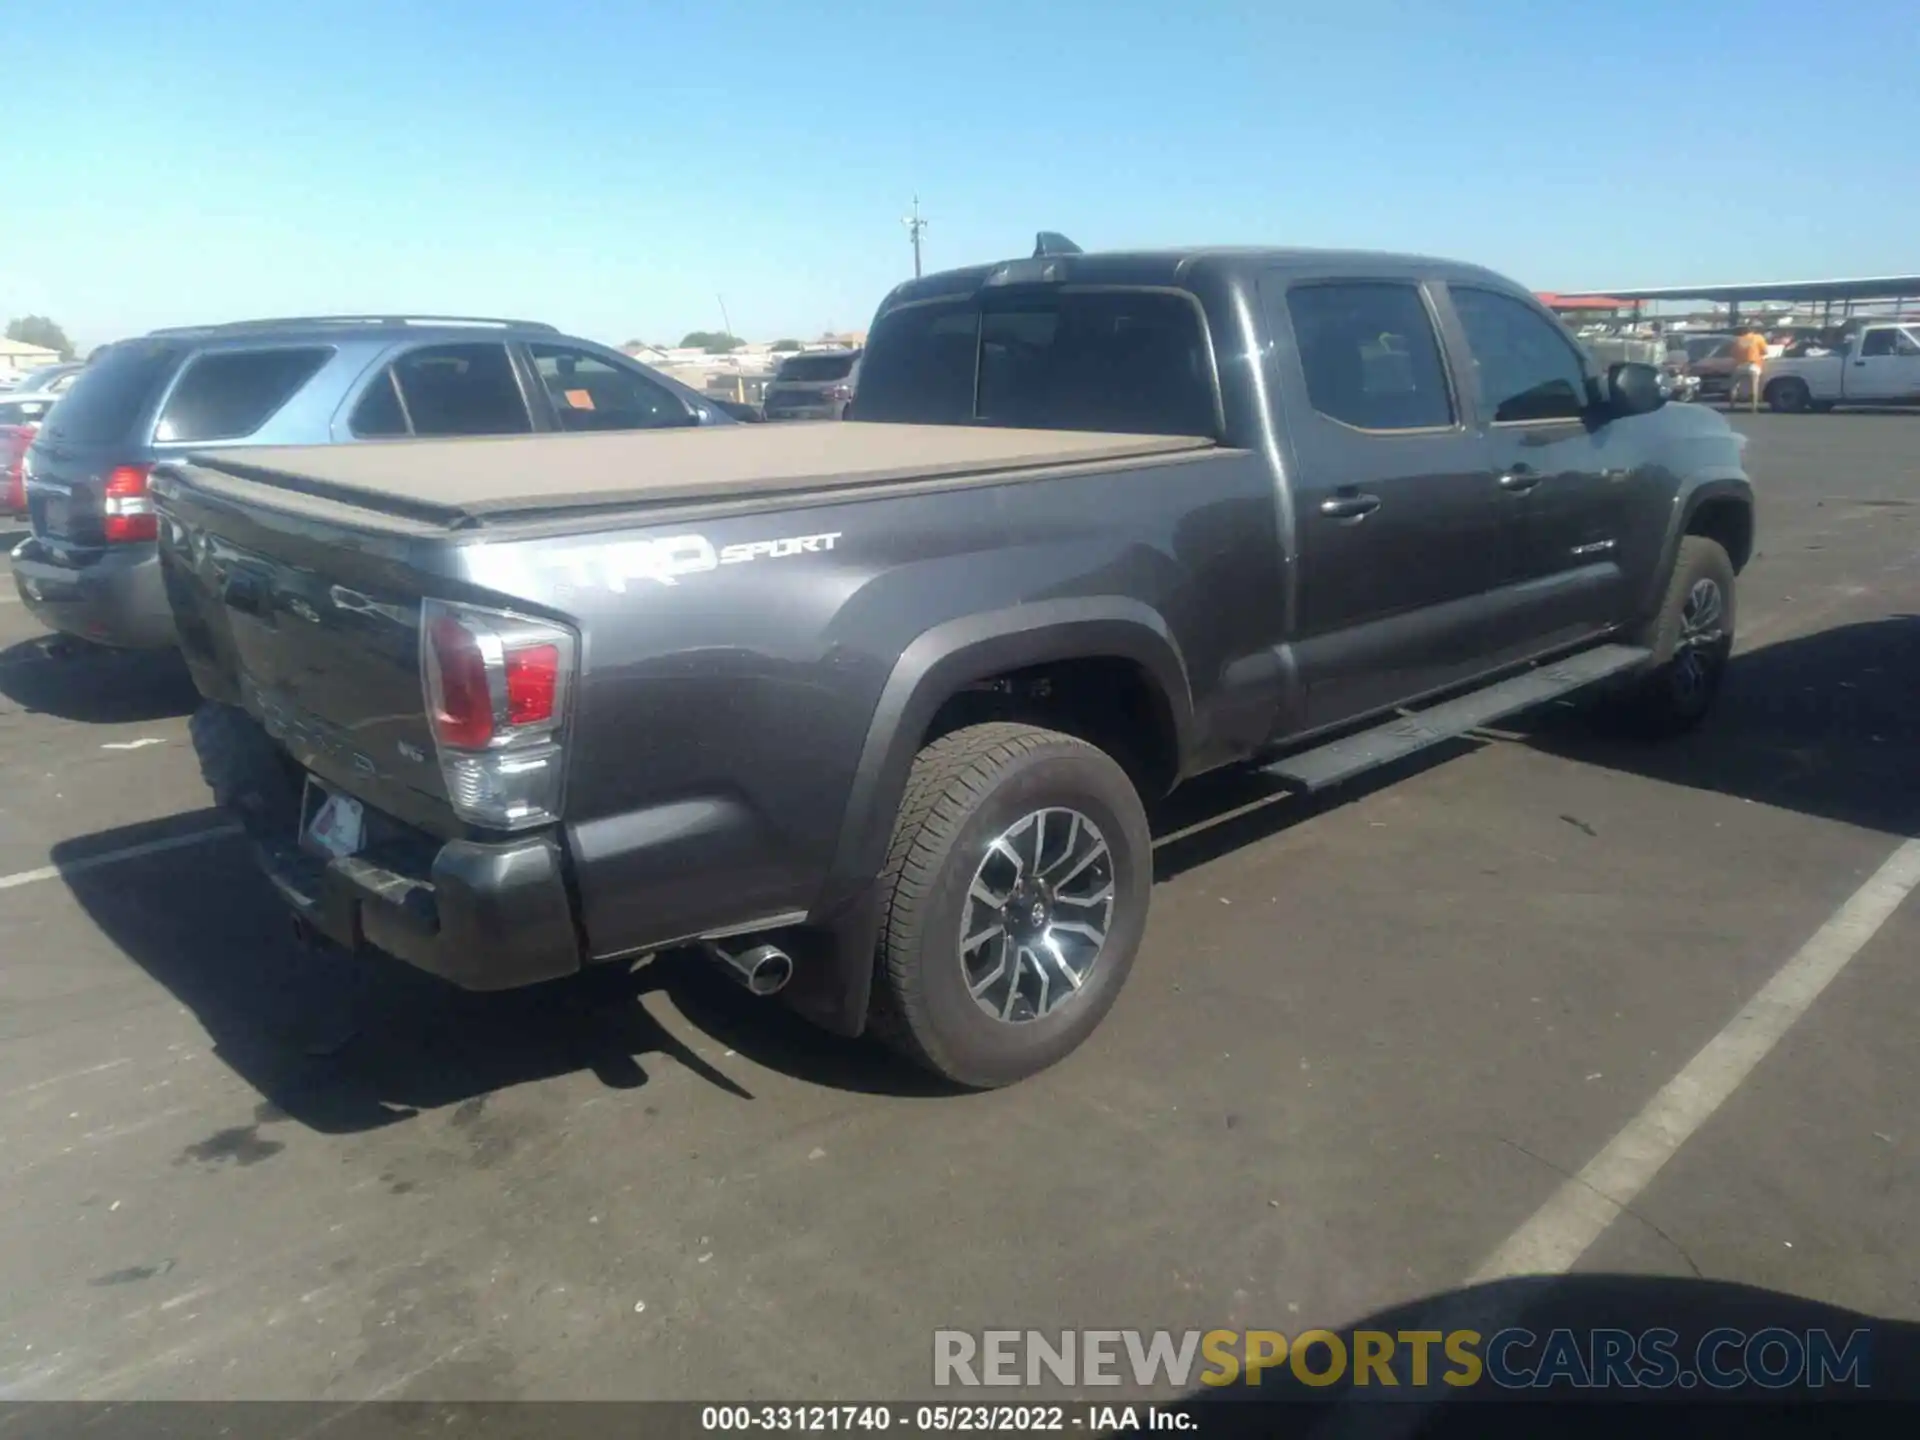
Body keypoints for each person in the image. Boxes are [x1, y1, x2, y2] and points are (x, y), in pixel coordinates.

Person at [1730, 325, 1768, 411]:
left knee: (1734, 385)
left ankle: (1732, 405)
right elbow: (1765, 351)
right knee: (1754, 385)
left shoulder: (1738, 339)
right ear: (1752, 331)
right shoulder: (1758, 338)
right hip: (1753, 365)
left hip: (1740, 365)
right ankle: (1754, 407)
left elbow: (1733, 354)